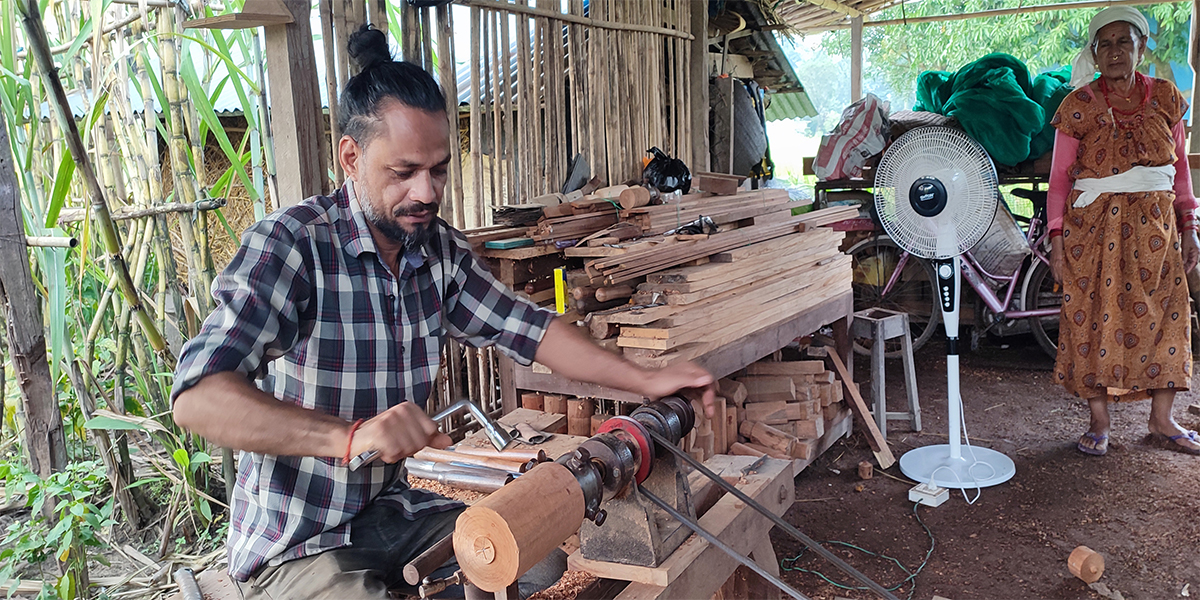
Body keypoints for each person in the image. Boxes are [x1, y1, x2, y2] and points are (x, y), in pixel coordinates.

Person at [170, 25, 717, 599]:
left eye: (438, 170)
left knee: (531, 562)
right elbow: (197, 397)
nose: (427, 193)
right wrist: (350, 437)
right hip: (298, 534)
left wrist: (646, 381)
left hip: (387, 509)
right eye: (403, 172)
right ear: (350, 158)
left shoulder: (437, 252)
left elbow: (530, 331)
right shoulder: (294, 247)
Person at [1048, 6, 1200, 457]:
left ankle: (1162, 420)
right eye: (1105, 44)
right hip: (1092, 234)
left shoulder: (1168, 98)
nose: (1115, 52)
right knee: (1091, 320)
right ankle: (1099, 421)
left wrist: (1189, 226)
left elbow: (1179, 173)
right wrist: (1056, 240)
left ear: (1141, 47)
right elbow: (1060, 181)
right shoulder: (1078, 107)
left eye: (1124, 42)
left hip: (1156, 232)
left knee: (1169, 318)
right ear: (1094, 54)